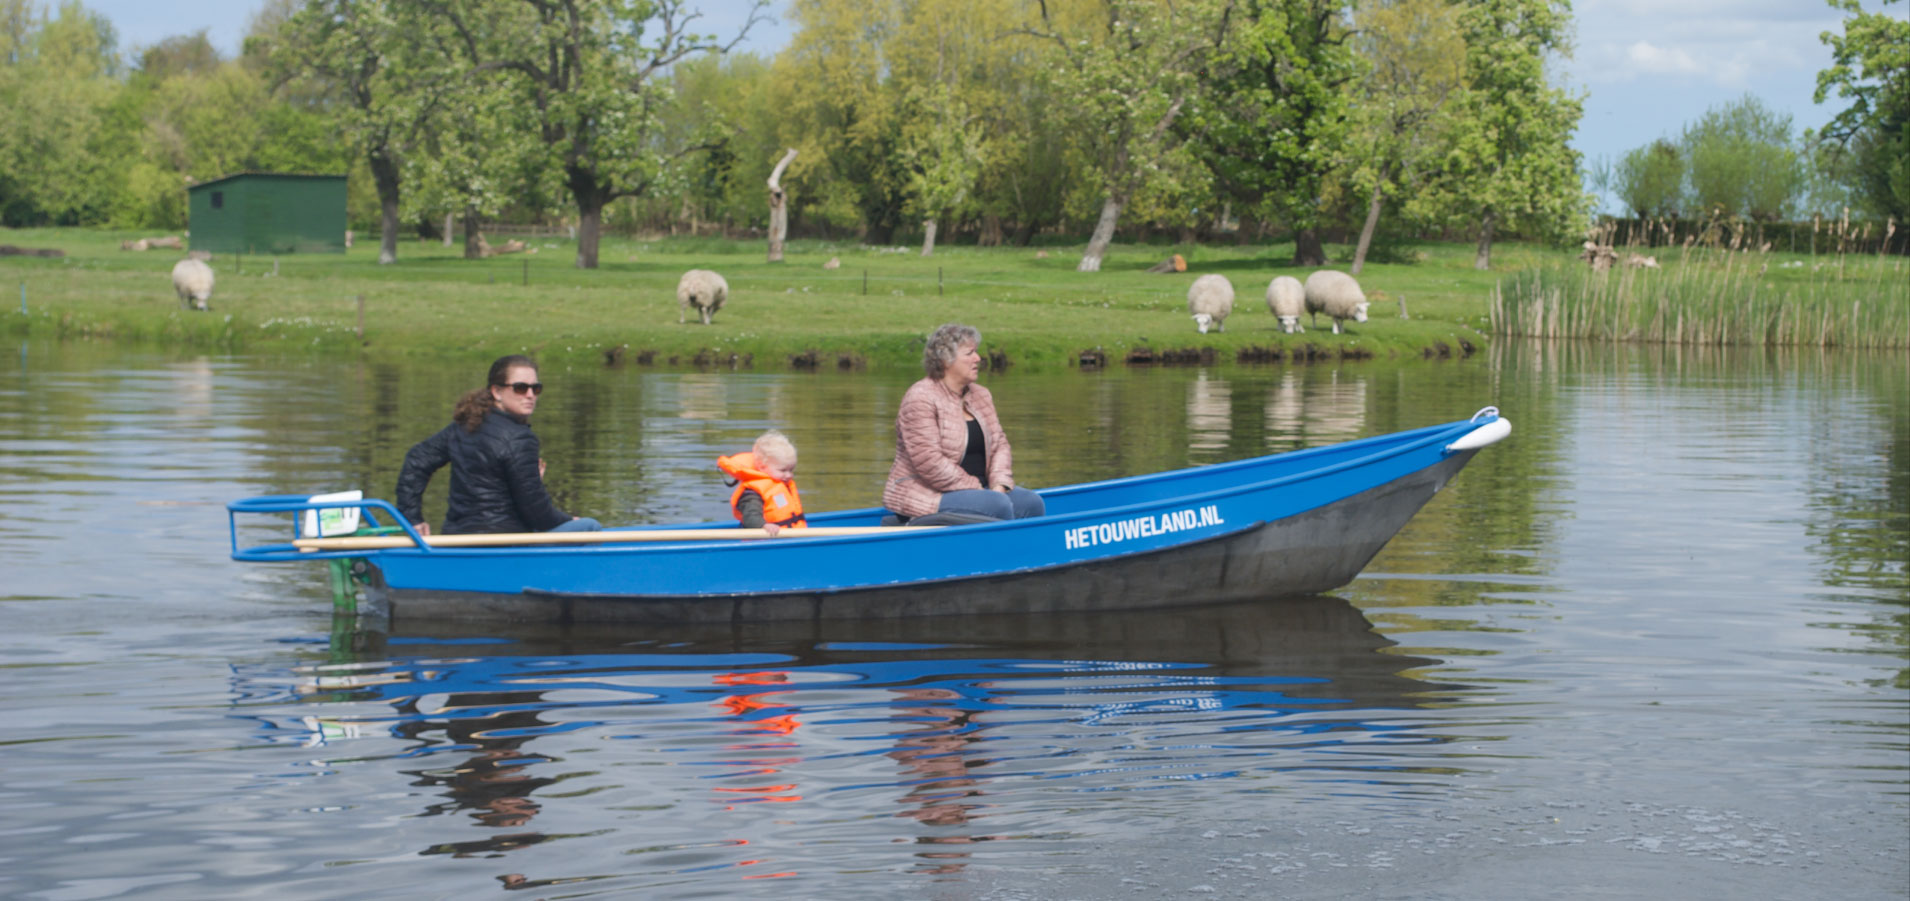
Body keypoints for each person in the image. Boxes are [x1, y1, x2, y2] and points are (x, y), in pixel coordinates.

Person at [395, 354, 601, 535]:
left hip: (457, 537)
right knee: (590, 527)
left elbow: (416, 459)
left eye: (536, 388)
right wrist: (567, 521)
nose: (530, 395)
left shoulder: (462, 426)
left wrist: (412, 518)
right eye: (520, 388)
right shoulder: (520, 439)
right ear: (497, 391)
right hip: (505, 543)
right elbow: (538, 514)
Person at [882, 323, 1045, 522]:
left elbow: (999, 445)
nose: (978, 358)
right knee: (998, 506)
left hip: (982, 490)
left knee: (1032, 503)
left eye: (976, 352)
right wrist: (979, 490)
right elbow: (929, 461)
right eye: (970, 353)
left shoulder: (981, 395)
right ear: (945, 360)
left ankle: (1025, 551)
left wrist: (998, 486)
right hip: (929, 494)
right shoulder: (920, 397)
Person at [717, 429, 808, 536]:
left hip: (788, 537)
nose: (789, 475)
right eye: (783, 470)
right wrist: (763, 526)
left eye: (791, 470)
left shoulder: (781, 483)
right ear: (762, 466)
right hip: (764, 540)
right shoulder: (752, 493)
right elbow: (750, 516)